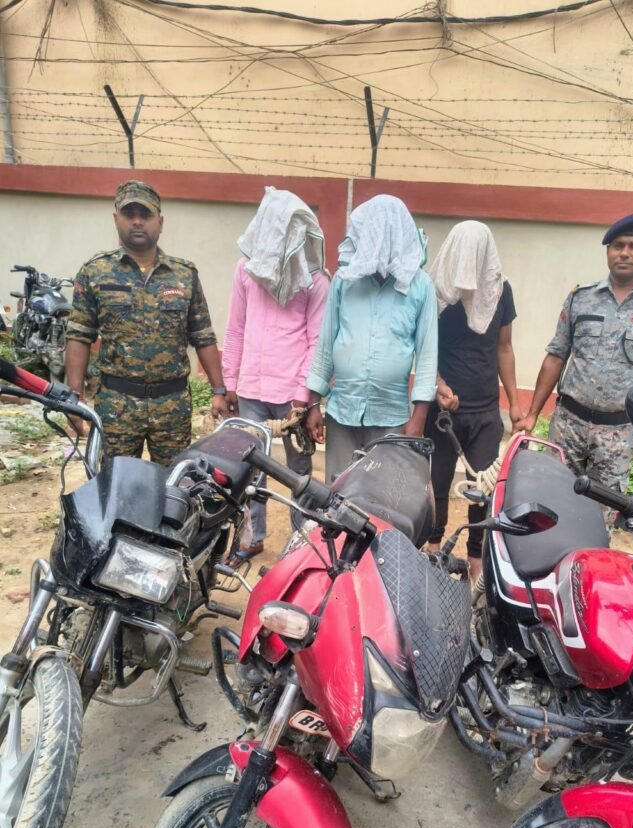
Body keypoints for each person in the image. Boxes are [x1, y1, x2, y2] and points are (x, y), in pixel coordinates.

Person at [66, 180, 230, 465]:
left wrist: (218, 391)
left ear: (160, 222)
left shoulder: (184, 275)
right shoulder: (95, 272)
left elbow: (203, 335)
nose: (137, 221)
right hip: (117, 406)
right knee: (117, 483)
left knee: (173, 482)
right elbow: (79, 335)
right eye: (129, 214)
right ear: (116, 219)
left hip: (172, 406)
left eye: (146, 214)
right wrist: (73, 396)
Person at [517, 213, 633, 493]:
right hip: (568, 424)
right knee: (553, 498)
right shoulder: (580, 297)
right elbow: (556, 356)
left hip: (619, 431)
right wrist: (532, 414)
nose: (624, 253)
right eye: (617, 246)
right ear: (608, 252)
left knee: (604, 508)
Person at [221, 187, 330, 563]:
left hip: (293, 397)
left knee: (299, 473)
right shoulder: (245, 271)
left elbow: (318, 343)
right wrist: (229, 382)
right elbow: (235, 328)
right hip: (251, 390)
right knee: (249, 468)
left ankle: (301, 544)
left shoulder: (316, 281)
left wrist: (306, 398)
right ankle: (252, 537)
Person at [304, 194, 438, 482]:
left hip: (392, 418)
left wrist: (418, 418)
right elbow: (325, 343)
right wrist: (313, 403)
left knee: (382, 497)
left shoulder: (421, 286)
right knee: (338, 494)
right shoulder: (344, 280)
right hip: (342, 412)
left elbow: (427, 356)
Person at [423, 221, 521, 582]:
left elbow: (504, 347)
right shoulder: (434, 289)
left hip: (485, 409)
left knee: (482, 488)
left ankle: (475, 559)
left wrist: (514, 403)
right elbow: (422, 346)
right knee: (437, 482)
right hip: (442, 409)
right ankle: (433, 551)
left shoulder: (500, 290)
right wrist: (437, 384)